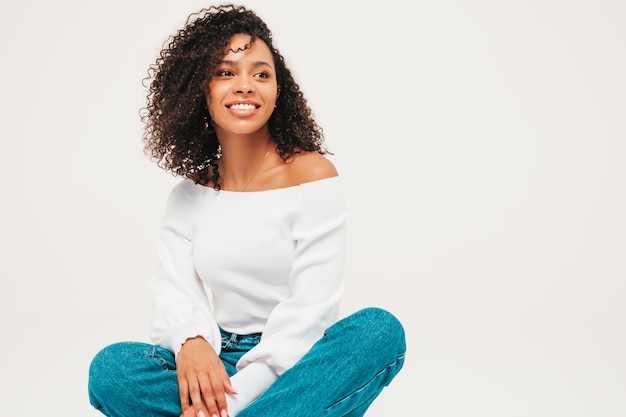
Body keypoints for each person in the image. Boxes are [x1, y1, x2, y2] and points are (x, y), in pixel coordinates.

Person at [87, 4, 406, 417]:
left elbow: (312, 308)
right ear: (199, 89)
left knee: (379, 332)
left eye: (261, 73)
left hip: (302, 362)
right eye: (225, 72)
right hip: (219, 358)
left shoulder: (313, 176)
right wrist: (192, 343)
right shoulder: (188, 197)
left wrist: (229, 403)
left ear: (278, 90)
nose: (245, 85)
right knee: (113, 368)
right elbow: (174, 292)